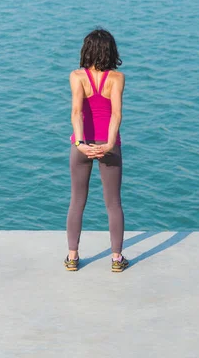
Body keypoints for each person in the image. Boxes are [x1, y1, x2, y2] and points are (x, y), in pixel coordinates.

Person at [64, 28, 128, 272]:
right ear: (111, 51)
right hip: (109, 146)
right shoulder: (117, 78)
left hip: (81, 145)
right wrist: (109, 145)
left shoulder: (76, 76)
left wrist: (81, 144)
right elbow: (116, 115)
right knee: (113, 203)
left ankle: (72, 257)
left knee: (77, 200)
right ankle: (116, 259)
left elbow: (76, 112)